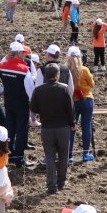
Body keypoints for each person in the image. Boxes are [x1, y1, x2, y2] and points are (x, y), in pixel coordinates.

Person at [31, 63, 75, 194]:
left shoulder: (38, 90)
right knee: (63, 156)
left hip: (47, 127)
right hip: (63, 127)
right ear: (58, 75)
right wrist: (72, 123)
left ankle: (51, 185)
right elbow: (70, 109)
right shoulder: (65, 89)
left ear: (45, 75)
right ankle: (61, 183)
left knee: (49, 156)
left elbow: (34, 108)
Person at [0, 42, 32, 167]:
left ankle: (10, 154)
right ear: (18, 53)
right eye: (22, 53)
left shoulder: (2, 66)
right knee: (22, 130)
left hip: (8, 102)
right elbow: (30, 89)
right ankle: (19, 158)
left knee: (10, 129)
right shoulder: (24, 70)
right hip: (22, 103)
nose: (24, 55)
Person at [68, 47, 96, 162]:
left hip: (72, 102)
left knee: (71, 128)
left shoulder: (67, 70)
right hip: (86, 99)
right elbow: (92, 84)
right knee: (86, 126)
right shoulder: (84, 70)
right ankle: (85, 154)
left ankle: (69, 155)